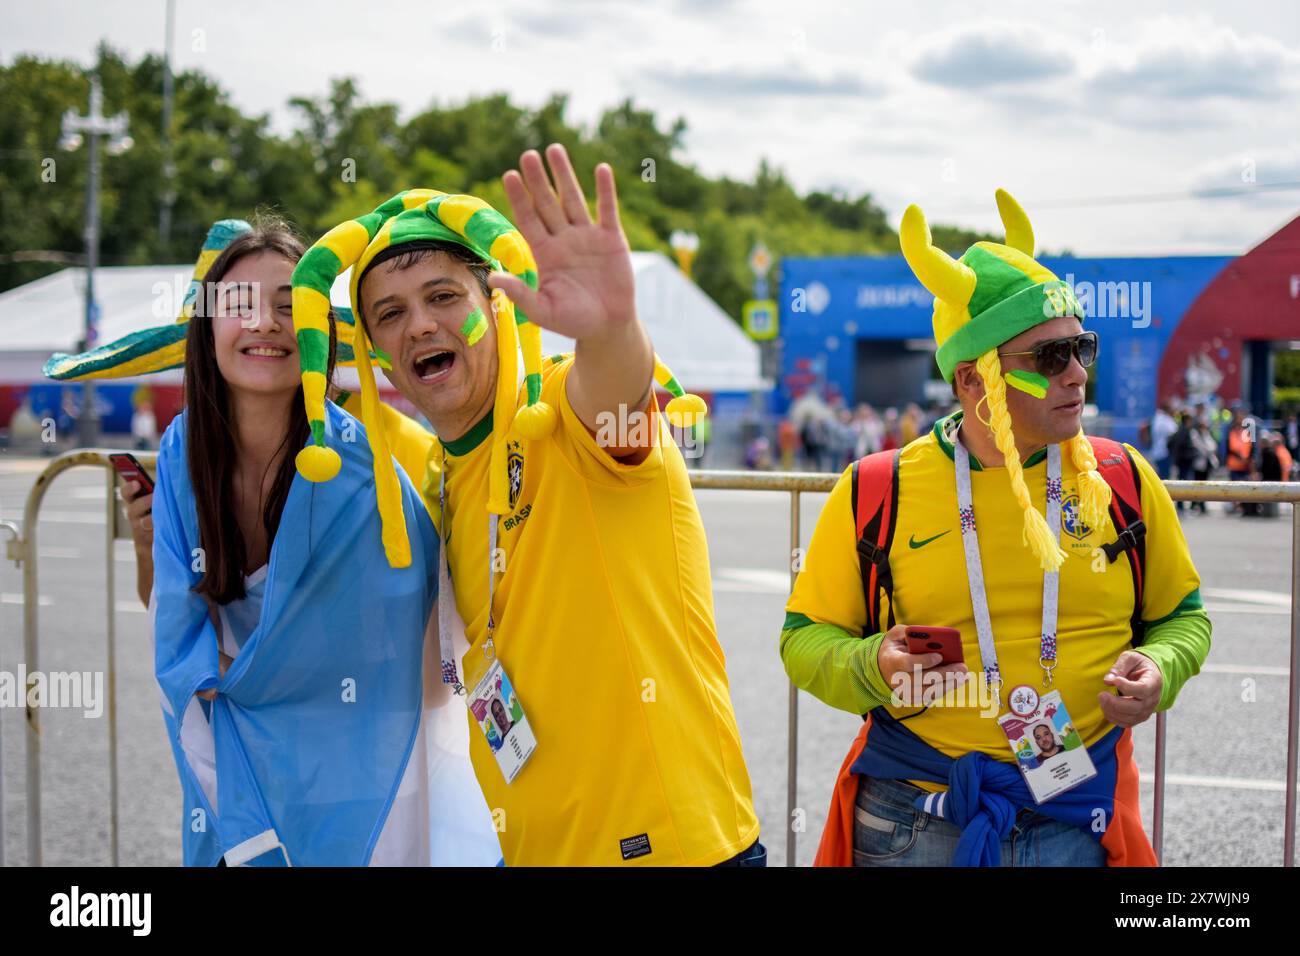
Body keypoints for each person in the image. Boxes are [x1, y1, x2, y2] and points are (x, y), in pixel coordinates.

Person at [289, 145, 761, 867]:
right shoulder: (427, 470)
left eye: (444, 297)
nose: (419, 325)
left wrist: (608, 327)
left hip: (671, 853)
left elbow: (620, 394)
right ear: (378, 351)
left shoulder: (569, 412)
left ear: (496, 305)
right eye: (391, 313)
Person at [780, 190, 1211, 867]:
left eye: (1081, 347)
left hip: (1077, 813)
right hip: (916, 818)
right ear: (973, 380)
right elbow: (802, 642)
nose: (1077, 374)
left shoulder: (1121, 476)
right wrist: (872, 665)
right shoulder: (875, 487)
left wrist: (1162, 667)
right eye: (1049, 357)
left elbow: (1185, 617)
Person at [69, 218, 499, 866]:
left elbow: (422, 665)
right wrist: (146, 542)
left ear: (320, 334)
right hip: (238, 770)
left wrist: (276, 690)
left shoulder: (368, 470)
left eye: (288, 306)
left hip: (361, 781)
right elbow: (182, 630)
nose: (267, 324)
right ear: (207, 327)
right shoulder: (184, 453)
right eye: (240, 306)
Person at [1148, 400, 1178, 481]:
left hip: (1159, 451)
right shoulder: (1164, 420)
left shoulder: (1157, 418)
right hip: (1164, 452)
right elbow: (1173, 430)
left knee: (1162, 475)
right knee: (1165, 477)